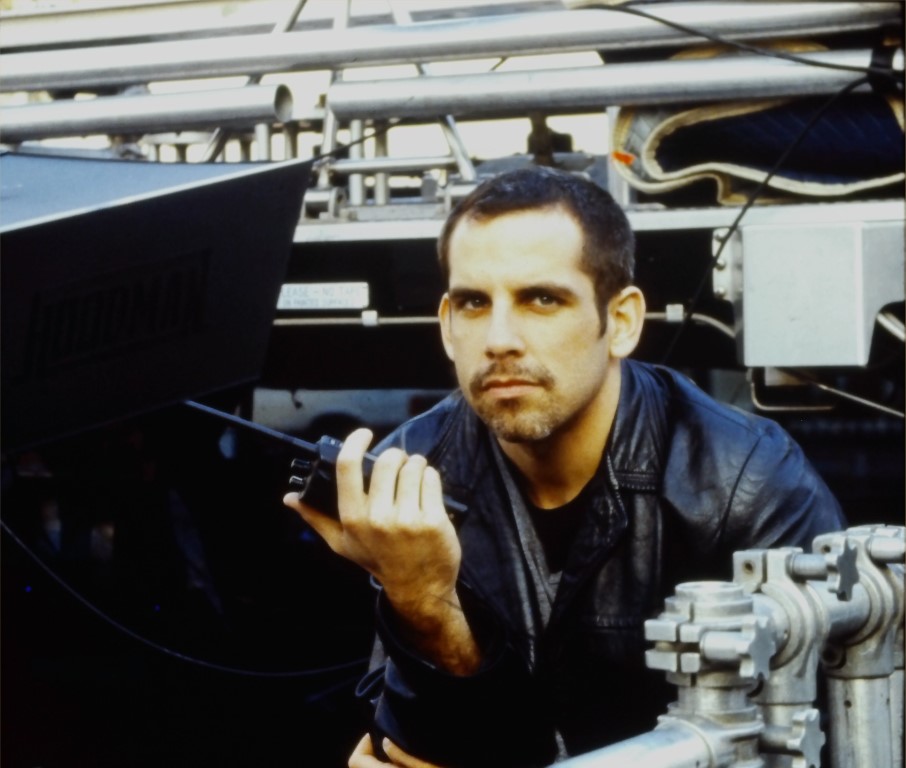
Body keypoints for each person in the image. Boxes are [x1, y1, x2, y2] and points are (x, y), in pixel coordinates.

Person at [283, 166, 846, 768]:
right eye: (474, 303)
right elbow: (398, 743)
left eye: (542, 299)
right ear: (447, 326)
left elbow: (819, 743)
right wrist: (422, 599)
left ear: (621, 321)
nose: (499, 338)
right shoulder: (415, 470)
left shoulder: (747, 483)